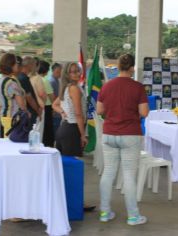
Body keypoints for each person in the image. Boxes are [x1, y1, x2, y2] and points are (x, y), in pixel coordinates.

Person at [96, 54, 149, 226]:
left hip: (109, 134)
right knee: (129, 176)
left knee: (108, 172)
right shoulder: (138, 87)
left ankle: (104, 212)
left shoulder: (107, 86)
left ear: (118, 67)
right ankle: (133, 216)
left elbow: (99, 110)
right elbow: (144, 113)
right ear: (132, 68)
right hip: (130, 135)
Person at [52, 62, 95, 211]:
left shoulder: (66, 88)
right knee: (71, 169)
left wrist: (62, 112)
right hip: (71, 130)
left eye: (78, 71)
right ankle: (74, 203)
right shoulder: (74, 89)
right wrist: (83, 135)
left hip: (64, 130)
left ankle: (67, 201)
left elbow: (55, 104)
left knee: (66, 168)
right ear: (67, 74)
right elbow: (78, 114)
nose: (76, 74)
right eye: (72, 72)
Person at [0, 53, 27, 137]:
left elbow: (3, 99)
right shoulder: (11, 82)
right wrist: (27, 113)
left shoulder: (2, 80)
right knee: (11, 144)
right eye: (15, 63)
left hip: (4, 117)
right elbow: (21, 105)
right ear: (10, 65)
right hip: (12, 119)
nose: (17, 65)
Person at [17, 57, 42, 125]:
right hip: (29, 111)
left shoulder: (20, 77)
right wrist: (37, 109)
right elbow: (29, 97)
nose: (34, 67)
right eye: (34, 65)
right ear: (29, 65)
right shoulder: (23, 78)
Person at [50, 63, 63, 135]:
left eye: (61, 71)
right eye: (58, 71)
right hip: (55, 111)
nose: (60, 73)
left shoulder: (56, 80)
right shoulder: (52, 81)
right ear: (54, 71)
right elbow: (53, 97)